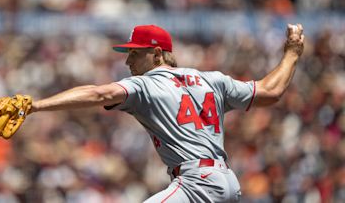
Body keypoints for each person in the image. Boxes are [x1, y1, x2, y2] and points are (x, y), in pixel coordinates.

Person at [30, 24, 304, 202]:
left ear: (157, 54)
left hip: (197, 185)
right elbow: (271, 91)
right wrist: (292, 53)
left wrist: (36, 105)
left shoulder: (145, 84)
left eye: (135, 54)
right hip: (228, 184)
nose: (127, 60)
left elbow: (98, 93)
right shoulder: (213, 79)